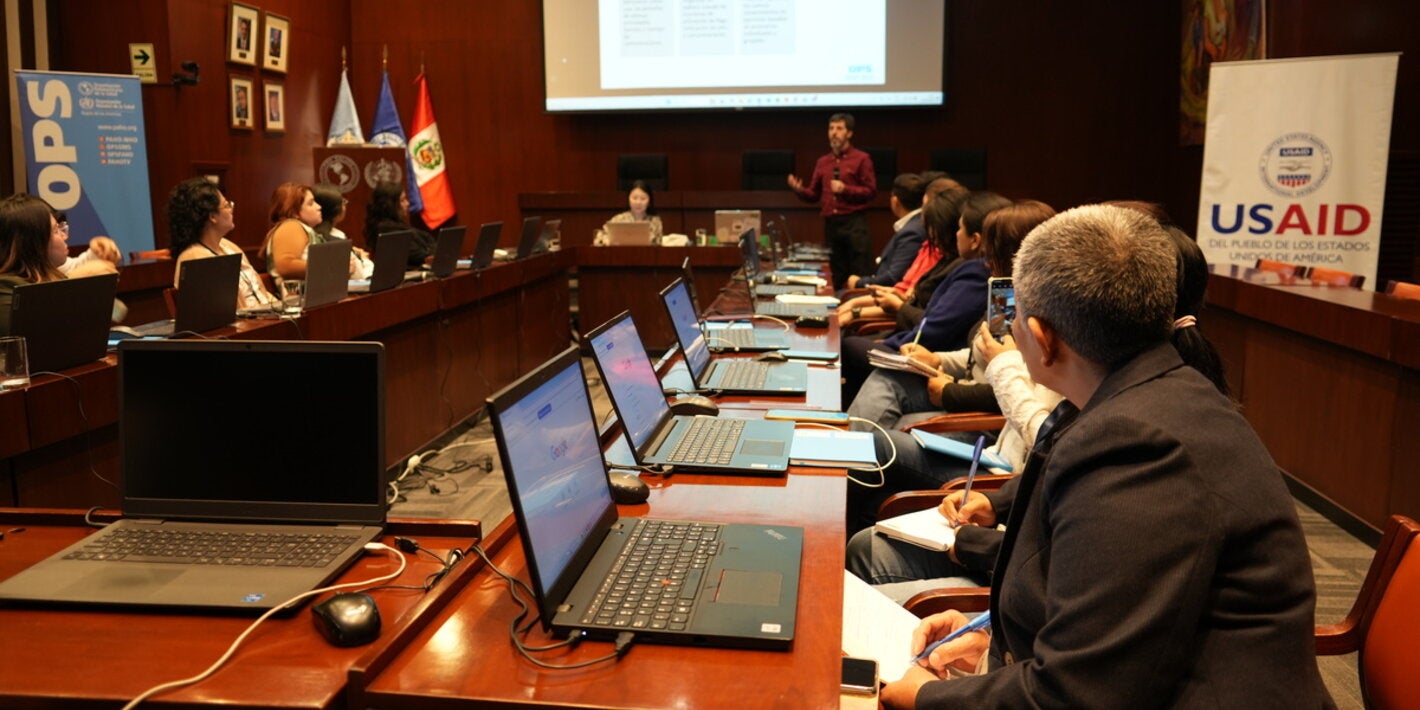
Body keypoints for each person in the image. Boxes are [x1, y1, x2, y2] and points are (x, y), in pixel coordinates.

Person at [880, 204, 1331, 708]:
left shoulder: (1137, 447)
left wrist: (929, 700)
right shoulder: (1142, 397)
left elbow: (1081, 692)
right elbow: (1111, 621)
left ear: (1044, 339)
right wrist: (993, 640)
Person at [839, 191, 1008, 405]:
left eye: (960, 228)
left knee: (855, 352)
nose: (956, 234)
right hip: (930, 356)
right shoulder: (977, 272)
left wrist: (891, 345)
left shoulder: (980, 276)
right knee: (874, 376)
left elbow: (937, 329)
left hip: (939, 370)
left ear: (975, 240)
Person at [787, 112, 876, 290]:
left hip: (854, 223)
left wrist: (845, 189)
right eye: (831, 128)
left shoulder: (861, 159)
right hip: (831, 225)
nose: (834, 133)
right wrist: (799, 190)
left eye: (839, 128)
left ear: (849, 133)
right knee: (836, 273)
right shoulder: (823, 162)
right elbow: (813, 194)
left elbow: (871, 191)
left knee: (859, 272)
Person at [167, 178, 279, 310]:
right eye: (226, 205)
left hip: (264, 319)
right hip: (245, 326)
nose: (231, 209)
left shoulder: (228, 246)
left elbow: (261, 294)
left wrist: (282, 307)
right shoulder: (194, 257)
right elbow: (227, 312)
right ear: (212, 216)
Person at [843, 172, 926, 291]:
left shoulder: (913, 232)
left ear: (895, 200)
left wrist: (859, 282)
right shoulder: (913, 224)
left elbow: (893, 278)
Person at [265, 182, 353, 284]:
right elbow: (286, 265)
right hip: (299, 297)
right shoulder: (291, 226)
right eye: (311, 203)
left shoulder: (301, 228)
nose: (319, 207)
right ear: (294, 212)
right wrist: (336, 267)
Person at [364, 181, 435, 268]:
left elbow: (428, 237)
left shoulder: (398, 224)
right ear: (390, 204)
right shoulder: (385, 228)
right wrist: (430, 253)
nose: (407, 203)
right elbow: (415, 253)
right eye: (402, 200)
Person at [311, 183, 373, 279]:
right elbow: (360, 277)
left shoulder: (310, 233)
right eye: (343, 201)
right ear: (335, 210)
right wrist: (365, 260)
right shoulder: (335, 241)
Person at [593, 180, 664, 245]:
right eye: (634, 198)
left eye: (643, 198)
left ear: (649, 201)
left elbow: (658, 245)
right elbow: (599, 237)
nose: (638, 202)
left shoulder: (655, 221)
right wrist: (607, 241)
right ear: (628, 199)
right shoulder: (619, 219)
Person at [53, 212, 120, 276]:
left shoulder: (58, 264)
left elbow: (73, 267)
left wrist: (98, 252)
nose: (64, 236)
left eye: (61, 228)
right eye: (55, 231)